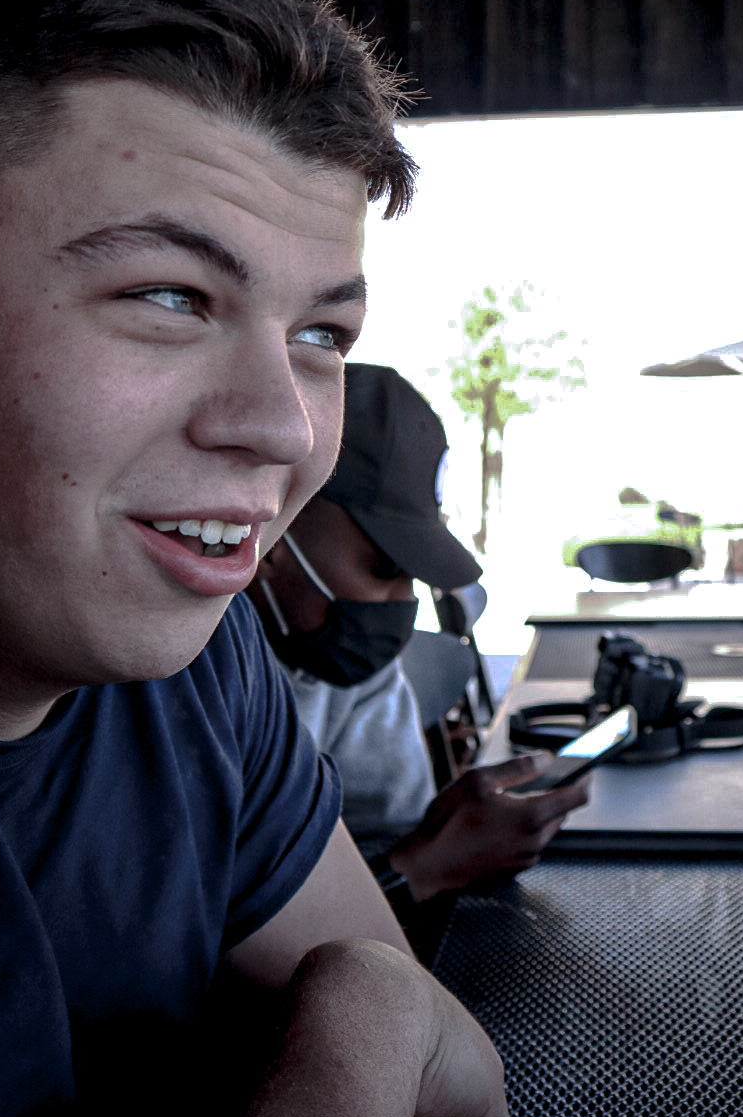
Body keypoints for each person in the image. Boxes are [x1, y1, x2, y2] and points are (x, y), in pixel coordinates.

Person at [0, 0, 508, 1117]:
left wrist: (365, 1020)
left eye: (321, 336)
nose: (285, 430)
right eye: (168, 295)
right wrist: (364, 1025)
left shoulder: (198, 668)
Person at [252, 362, 589, 941]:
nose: (401, 603)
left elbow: (385, 835)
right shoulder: (182, 681)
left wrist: (450, 837)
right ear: (276, 522)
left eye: (412, 577)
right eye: (385, 569)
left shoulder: (351, 669)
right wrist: (424, 870)